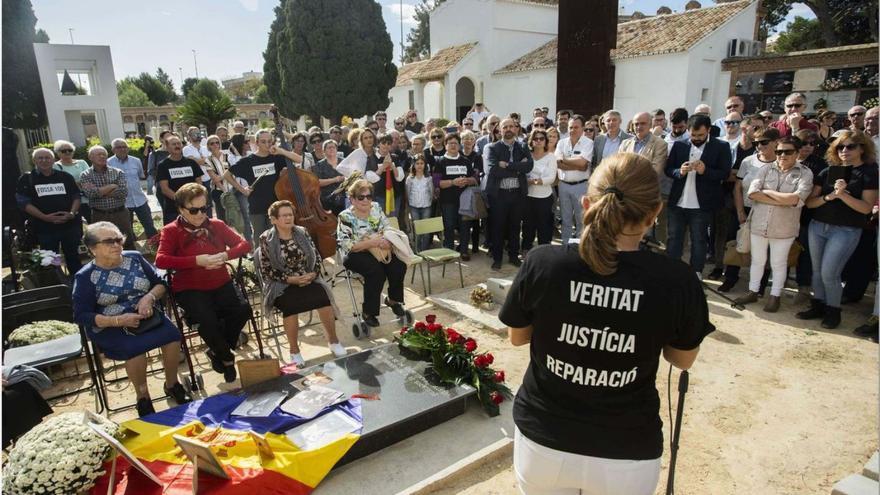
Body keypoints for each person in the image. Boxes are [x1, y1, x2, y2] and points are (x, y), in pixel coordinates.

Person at [501, 152, 713, 495]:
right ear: (654, 212)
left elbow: (518, 337)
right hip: (627, 449)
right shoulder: (677, 279)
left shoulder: (543, 262)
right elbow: (681, 358)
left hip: (544, 440)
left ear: (586, 203)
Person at [73, 221, 191, 417]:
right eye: (109, 241)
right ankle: (143, 397)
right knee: (133, 349)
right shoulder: (85, 276)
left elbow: (160, 283)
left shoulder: (134, 258)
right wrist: (119, 321)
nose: (116, 245)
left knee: (172, 336)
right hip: (109, 324)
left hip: (146, 315)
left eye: (119, 239)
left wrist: (149, 297)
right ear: (93, 248)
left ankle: (172, 385)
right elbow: (81, 315)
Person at [155, 183, 252, 382]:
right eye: (194, 210)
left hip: (221, 282)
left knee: (243, 310)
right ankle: (226, 359)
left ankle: (219, 351)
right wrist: (196, 261)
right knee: (208, 320)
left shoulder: (216, 225)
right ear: (181, 209)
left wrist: (225, 254)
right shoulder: (171, 230)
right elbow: (161, 260)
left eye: (204, 208)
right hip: (190, 287)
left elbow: (245, 245)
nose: (201, 214)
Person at [798, 131, 878, 328]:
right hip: (818, 226)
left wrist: (843, 195)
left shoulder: (869, 172)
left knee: (829, 272)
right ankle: (818, 305)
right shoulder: (827, 171)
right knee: (817, 272)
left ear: (862, 148)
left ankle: (833, 311)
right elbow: (810, 203)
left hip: (846, 230)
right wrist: (829, 197)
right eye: (840, 147)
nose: (844, 151)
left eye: (850, 146)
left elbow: (866, 207)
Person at [256, 200, 346, 366]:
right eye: (283, 216)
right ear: (274, 219)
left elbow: (316, 257)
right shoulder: (266, 239)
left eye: (290, 214)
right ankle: (294, 350)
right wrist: (291, 279)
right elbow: (267, 269)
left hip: (307, 277)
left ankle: (333, 341)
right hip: (282, 283)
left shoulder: (302, 232)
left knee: (323, 298)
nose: (288, 218)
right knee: (291, 305)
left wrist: (312, 274)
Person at [733, 137, 813, 312]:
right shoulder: (765, 169)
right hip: (759, 224)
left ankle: (775, 296)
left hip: (784, 227)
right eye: (779, 151)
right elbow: (752, 193)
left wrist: (768, 193)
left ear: (798, 153)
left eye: (788, 151)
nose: (782, 155)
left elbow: (796, 199)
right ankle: (753, 292)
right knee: (757, 261)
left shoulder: (805, 173)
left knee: (778, 263)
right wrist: (783, 200)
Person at [665, 114, 733, 279]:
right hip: (678, 202)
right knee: (674, 238)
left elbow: (725, 173)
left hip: (702, 205)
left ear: (709, 130)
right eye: (693, 135)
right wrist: (679, 171)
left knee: (699, 240)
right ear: (688, 130)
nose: (696, 139)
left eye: (700, 135)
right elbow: (668, 169)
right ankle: (672, 271)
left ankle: (696, 272)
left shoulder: (721, 146)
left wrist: (706, 171)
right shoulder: (680, 145)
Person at [337, 179, 407, 327]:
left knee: (399, 266)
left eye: (368, 196)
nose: (365, 200)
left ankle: (393, 300)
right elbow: (347, 244)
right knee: (376, 272)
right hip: (356, 252)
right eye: (361, 197)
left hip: (379, 248)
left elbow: (387, 227)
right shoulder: (345, 216)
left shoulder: (376, 207)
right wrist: (370, 243)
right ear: (352, 199)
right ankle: (369, 312)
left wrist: (387, 241)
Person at [16, 148, 83, 276]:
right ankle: (57, 286)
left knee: (74, 258)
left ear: (53, 159)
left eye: (47, 157)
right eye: (40, 158)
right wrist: (45, 217)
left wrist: (72, 213)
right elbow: (23, 203)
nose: (44, 160)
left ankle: (78, 285)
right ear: (34, 160)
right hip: (44, 228)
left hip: (69, 226)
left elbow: (76, 196)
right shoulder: (27, 179)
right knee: (50, 261)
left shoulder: (65, 177)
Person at [225, 129, 301, 239]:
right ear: (257, 143)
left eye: (270, 141)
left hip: (275, 206)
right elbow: (227, 175)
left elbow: (299, 159)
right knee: (260, 239)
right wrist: (242, 190)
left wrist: (281, 151)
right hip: (257, 207)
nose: (267, 144)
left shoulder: (276, 157)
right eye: (263, 141)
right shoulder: (248, 161)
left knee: (276, 238)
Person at [487, 118, 534, 270]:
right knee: (498, 227)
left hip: (518, 194)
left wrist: (507, 165)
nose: (508, 129)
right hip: (499, 195)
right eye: (504, 126)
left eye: (511, 126)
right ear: (499, 130)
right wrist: (517, 168)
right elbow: (494, 170)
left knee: (515, 227)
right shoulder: (493, 148)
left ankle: (514, 256)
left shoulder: (523, 146)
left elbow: (528, 166)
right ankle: (497, 258)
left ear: (516, 129)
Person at [620, 112, 669, 243]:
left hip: (645, 195)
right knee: (626, 229)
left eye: (643, 123)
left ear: (651, 124)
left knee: (644, 233)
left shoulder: (660, 144)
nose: (639, 127)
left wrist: (629, 174)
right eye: (636, 124)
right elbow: (618, 167)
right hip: (626, 194)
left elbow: (655, 171)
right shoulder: (625, 143)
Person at [793, 129, 828, 302]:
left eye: (812, 144)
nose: (808, 147)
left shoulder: (820, 165)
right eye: (804, 143)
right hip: (785, 213)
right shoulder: (786, 159)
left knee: (805, 252)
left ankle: (803, 287)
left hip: (808, 215)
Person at [80, 146, 137, 250]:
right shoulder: (85, 175)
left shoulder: (118, 172)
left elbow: (123, 192)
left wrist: (100, 192)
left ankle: (131, 264)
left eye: (104, 154)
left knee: (127, 242)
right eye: (98, 154)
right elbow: (91, 194)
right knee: (102, 244)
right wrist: (112, 186)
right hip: (99, 215)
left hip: (120, 214)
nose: (102, 156)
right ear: (90, 157)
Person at [434, 134, 479, 260]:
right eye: (450, 143)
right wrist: (453, 182)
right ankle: (449, 250)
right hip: (447, 201)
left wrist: (466, 180)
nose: (453, 145)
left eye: (455, 143)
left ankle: (464, 250)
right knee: (449, 226)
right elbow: (437, 182)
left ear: (459, 145)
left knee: (465, 225)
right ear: (445, 145)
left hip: (465, 200)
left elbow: (475, 179)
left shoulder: (466, 161)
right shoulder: (440, 162)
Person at [555, 114, 593, 244]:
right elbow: (557, 163)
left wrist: (565, 160)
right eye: (571, 127)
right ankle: (566, 245)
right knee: (565, 219)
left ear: (583, 128)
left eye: (576, 127)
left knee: (581, 219)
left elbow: (583, 164)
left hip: (581, 186)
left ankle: (580, 246)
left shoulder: (589, 143)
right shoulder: (561, 142)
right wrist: (577, 165)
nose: (572, 130)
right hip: (563, 185)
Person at [109, 138, 157, 241]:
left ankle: (155, 249)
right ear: (113, 150)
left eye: (124, 147)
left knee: (150, 227)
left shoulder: (136, 161)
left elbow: (140, 175)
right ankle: (133, 250)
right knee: (127, 230)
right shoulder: (108, 163)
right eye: (119, 147)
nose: (122, 149)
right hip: (123, 203)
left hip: (140, 200)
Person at [521, 129, 557, 252]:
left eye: (541, 138)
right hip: (528, 196)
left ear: (546, 141)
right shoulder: (526, 156)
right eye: (536, 138)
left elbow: (551, 178)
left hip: (544, 198)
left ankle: (544, 252)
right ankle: (526, 249)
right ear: (531, 141)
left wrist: (533, 182)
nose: (538, 141)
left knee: (544, 227)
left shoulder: (551, 157)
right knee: (527, 226)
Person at [156, 134, 203, 225]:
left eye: (179, 143)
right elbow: (165, 189)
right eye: (174, 144)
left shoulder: (191, 163)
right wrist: (182, 201)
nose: (177, 146)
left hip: (194, 208)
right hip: (173, 209)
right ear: (167, 147)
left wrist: (193, 201)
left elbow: (199, 183)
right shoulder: (163, 165)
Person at [53, 139, 91, 223]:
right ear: (58, 153)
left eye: (70, 150)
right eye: (64, 151)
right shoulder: (55, 166)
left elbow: (90, 178)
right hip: (69, 202)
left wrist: (74, 183)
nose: (67, 152)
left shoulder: (82, 163)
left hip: (86, 199)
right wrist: (78, 183)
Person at [406, 155, 434, 252]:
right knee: (417, 228)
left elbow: (431, 192)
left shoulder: (428, 178)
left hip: (426, 206)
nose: (419, 166)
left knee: (425, 229)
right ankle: (417, 250)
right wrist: (409, 206)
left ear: (425, 165)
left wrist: (430, 202)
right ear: (413, 165)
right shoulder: (410, 179)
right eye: (417, 163)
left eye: (422, 163)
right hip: (414, 207)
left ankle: (424, 249)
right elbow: (408, 192)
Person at [312, 140, 347, 215]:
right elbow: (317, 182)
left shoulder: (344, 162)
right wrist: (335, 179)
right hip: (327, 199)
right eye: (329, 147)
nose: (331, 149)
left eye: (333, 147)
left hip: (345, 198)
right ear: (324, 151)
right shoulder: (319, 165)